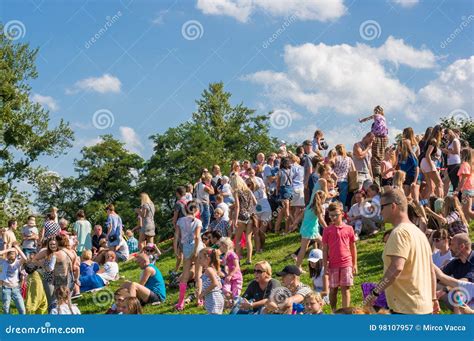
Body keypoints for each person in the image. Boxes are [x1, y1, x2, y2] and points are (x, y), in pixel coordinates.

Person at [364, 188, 438, 314]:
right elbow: (431, 271)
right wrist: (433, 298)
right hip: (424, 308)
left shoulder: (399, 233)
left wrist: (376, 291)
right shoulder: (419, 233)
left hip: (406, 310)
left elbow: (396, 267)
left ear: (393, 206)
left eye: (381, 207)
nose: (379, 211)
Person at [322, 201, 357, 312]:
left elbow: (353, 247)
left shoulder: (349, 229)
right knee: (333, 290)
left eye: (336, 215)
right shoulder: (327, 230)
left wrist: (354, 264)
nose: (333, 217)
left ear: (342, 213)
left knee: (345, 289)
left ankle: (345, 312)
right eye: (331, 215)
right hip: (333, 264)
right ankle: (334, 311)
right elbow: (325, 249)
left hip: (346, 263)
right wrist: (325, 264)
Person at [174, 200, 203, 310]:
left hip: (185, 248)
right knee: (198, 275)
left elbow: (176, 236)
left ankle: (181, 302)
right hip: (197, 248)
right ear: (196, 210)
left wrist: (176, 249)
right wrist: (196, 250)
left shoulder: (180, 221)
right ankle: (199, 300)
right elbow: (197, 237)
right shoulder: (198, 222)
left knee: (185, 276)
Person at [296, 190, 327, 271]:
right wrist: (327, 228)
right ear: (322, 199)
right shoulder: (318, 207)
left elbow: (301, 215)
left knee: (321, 242)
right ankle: (298, 266)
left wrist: (295, 223)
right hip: (310, 230)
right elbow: (321, 220)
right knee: (304, 248)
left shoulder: (309, 206)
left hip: (307, 229)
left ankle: (317, 260)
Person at [359, 105, 389, 185]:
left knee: (375, 156)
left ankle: (376, 177)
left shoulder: (376, 115)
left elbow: (368, 118)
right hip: (384, 135)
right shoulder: (383, 118)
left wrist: (362, 120)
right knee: (380, 154)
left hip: (376, 135)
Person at [230, 174, 257, 264]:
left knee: (237, 239)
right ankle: (249, 259)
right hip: (250, 216)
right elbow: (255, 202)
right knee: (248, 239)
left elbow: (237, 206)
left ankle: (237, 259)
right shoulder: (248, 190)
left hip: (241, 216)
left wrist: (235, 219)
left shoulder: (236, 192)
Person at [0, 244, 27, 314]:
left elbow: (25, 258)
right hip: (5, 289)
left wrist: (16, 248)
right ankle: (9, 324)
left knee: (22, 310)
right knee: (6, 310)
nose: (12, 254)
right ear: (7, 255)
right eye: (10, 253)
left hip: (16, 289)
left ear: (16, 255)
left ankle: (21, 324)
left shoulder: (17, 263)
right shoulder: (3, 262)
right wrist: (9, 249)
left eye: (13, 253)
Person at [197, 248, 225, 314]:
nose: (198, 260)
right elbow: (218, 284)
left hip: (214, 298)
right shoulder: (211, 269)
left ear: (208, 259)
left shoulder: (209, 270)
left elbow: (215, 283)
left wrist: (203, 294)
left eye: (200, 258)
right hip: (212, 298)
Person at [420, 125, 444, 198]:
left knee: (431, 188)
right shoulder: (433, 141)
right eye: (442, 132)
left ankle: (424, 205)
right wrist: (432, 166)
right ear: (438, 132)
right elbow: (428, 154)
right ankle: (440, 205)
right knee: (440, 184)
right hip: (428, 163)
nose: (443, 133)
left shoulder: (431, 140)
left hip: (424, 163)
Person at [333, 144, 355, 209]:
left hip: (335, 182)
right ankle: (341, 215)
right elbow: (353, 170)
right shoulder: (349, 159)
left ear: (336, 150)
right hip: (344, 181)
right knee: (342, 201)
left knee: (333, 199)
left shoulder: (335, 158)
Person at [275, 157, 293, 234]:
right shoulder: (291, 171)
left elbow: (278, 184)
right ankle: (287, 228)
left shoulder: (280, 172)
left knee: (285, 212)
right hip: (290, 190)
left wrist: (276, 193)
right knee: (285, 211)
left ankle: (286, 230)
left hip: (283, 191)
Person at [441, 129, 461, 193]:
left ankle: (458, 198)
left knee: (455, 182)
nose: (446, 138)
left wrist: (447, 151)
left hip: (455, 163)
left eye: (446, 136)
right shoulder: (450, 142)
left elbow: (457, 151)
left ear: (449, 134)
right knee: (452, 181)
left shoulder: (455, 141)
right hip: (450, 163)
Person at [456, 148, 473, 221]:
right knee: (465, 211)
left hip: (466, 191)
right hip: (471, 190)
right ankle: (468, 227)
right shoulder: (470, 165)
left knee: (467, 211)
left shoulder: (464, 164)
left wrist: (457, 190)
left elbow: (463, 179)